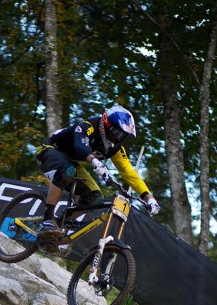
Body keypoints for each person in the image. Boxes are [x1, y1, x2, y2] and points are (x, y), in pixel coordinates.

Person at [35, 104, 160, 249]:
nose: (117, 137)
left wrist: (149, 198)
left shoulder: (116, 148)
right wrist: (94, 160)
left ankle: (57, 226)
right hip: (50, 150)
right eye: (115, 132)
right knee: (66, 170)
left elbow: (129, 173)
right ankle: (48, 219)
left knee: (95, 197)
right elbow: (79, 145)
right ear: (106, 124)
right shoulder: (89, 126)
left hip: (72, 162)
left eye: (122, 135)